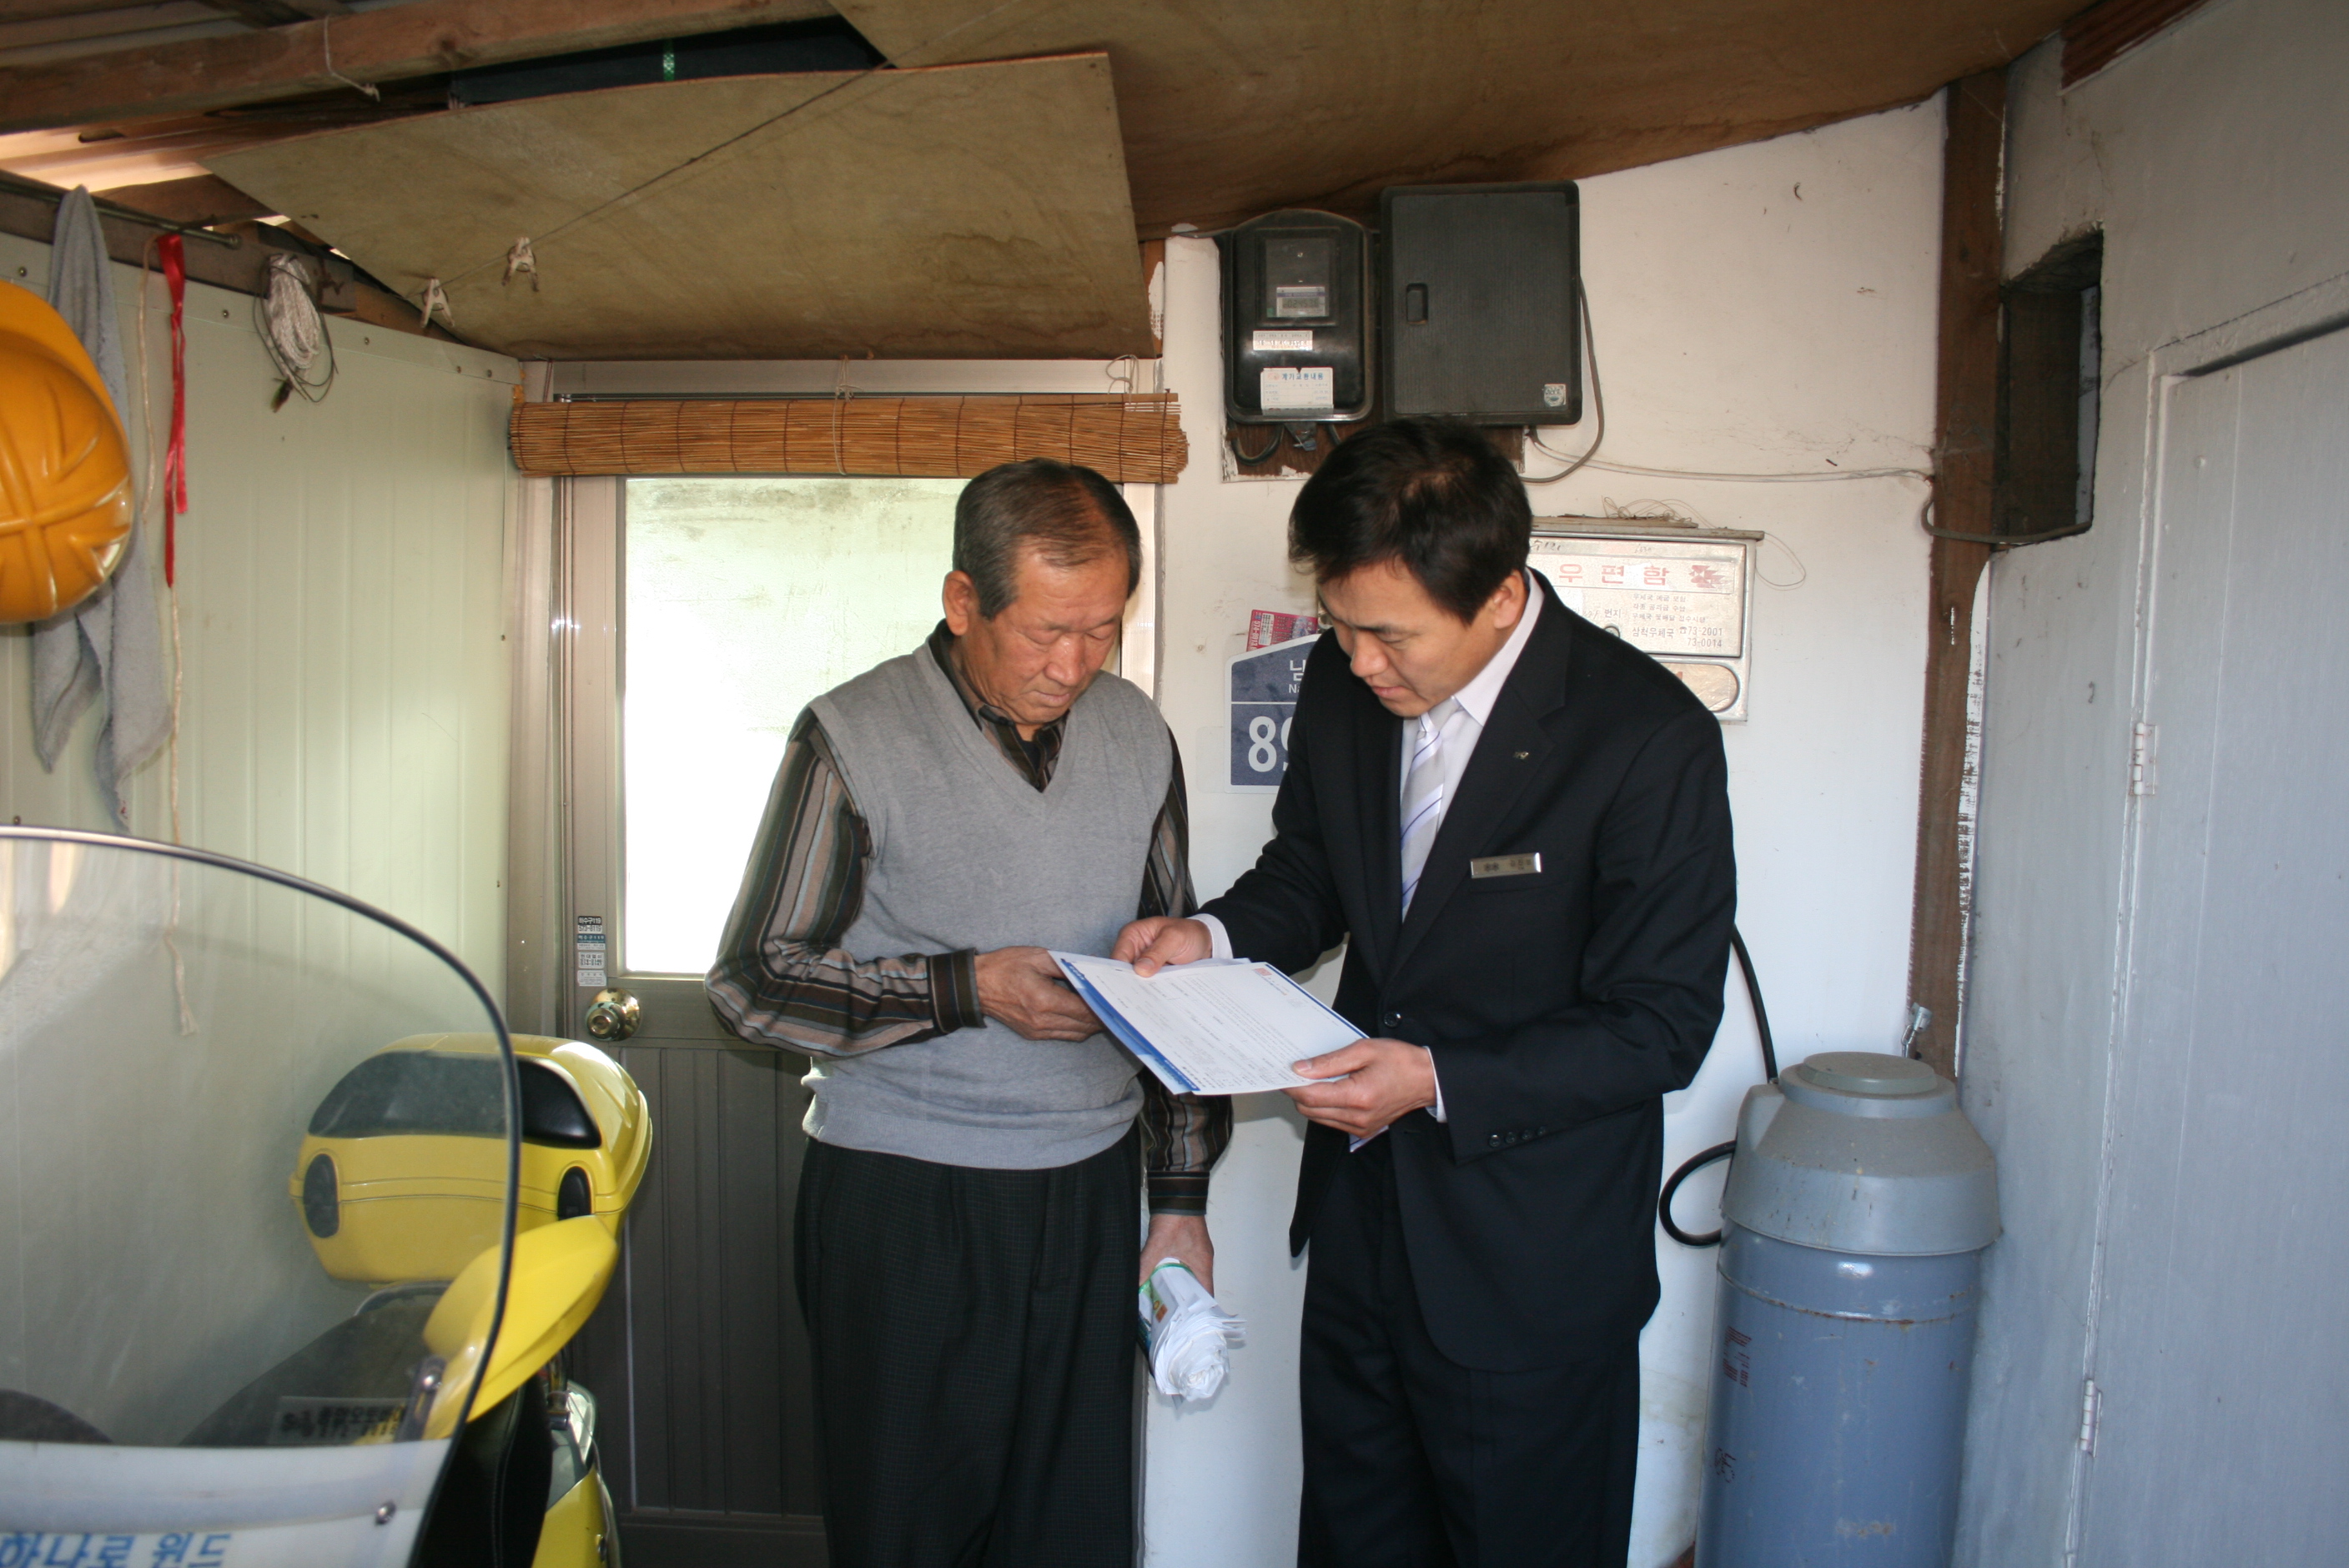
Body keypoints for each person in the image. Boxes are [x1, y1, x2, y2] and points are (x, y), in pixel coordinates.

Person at [1117, 417, 1735, 1567]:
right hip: (1362, 1232)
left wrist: (1437, 1081)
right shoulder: (1345, 684)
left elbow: (1661, 1025)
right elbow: (1315, 870)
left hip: (1529, 1265)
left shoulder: (1646, 737)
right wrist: (1212, 934)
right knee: (1352, 1541)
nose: (1360, 663)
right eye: (1340, 626)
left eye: (1390, 636)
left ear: (1499, 598)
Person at [707, 458, 1228, 1568]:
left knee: (1073, 1531)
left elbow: (1171, 978)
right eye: (1046, 631)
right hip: (905, 1199)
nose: (1074, 665)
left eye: (1101, 629)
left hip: (1087, 1191)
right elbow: (754, 982)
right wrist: (967, 987)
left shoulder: (1138, 736)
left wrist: (1179, 1198)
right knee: (910, 1528)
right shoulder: (853, 736)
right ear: (962, 601)